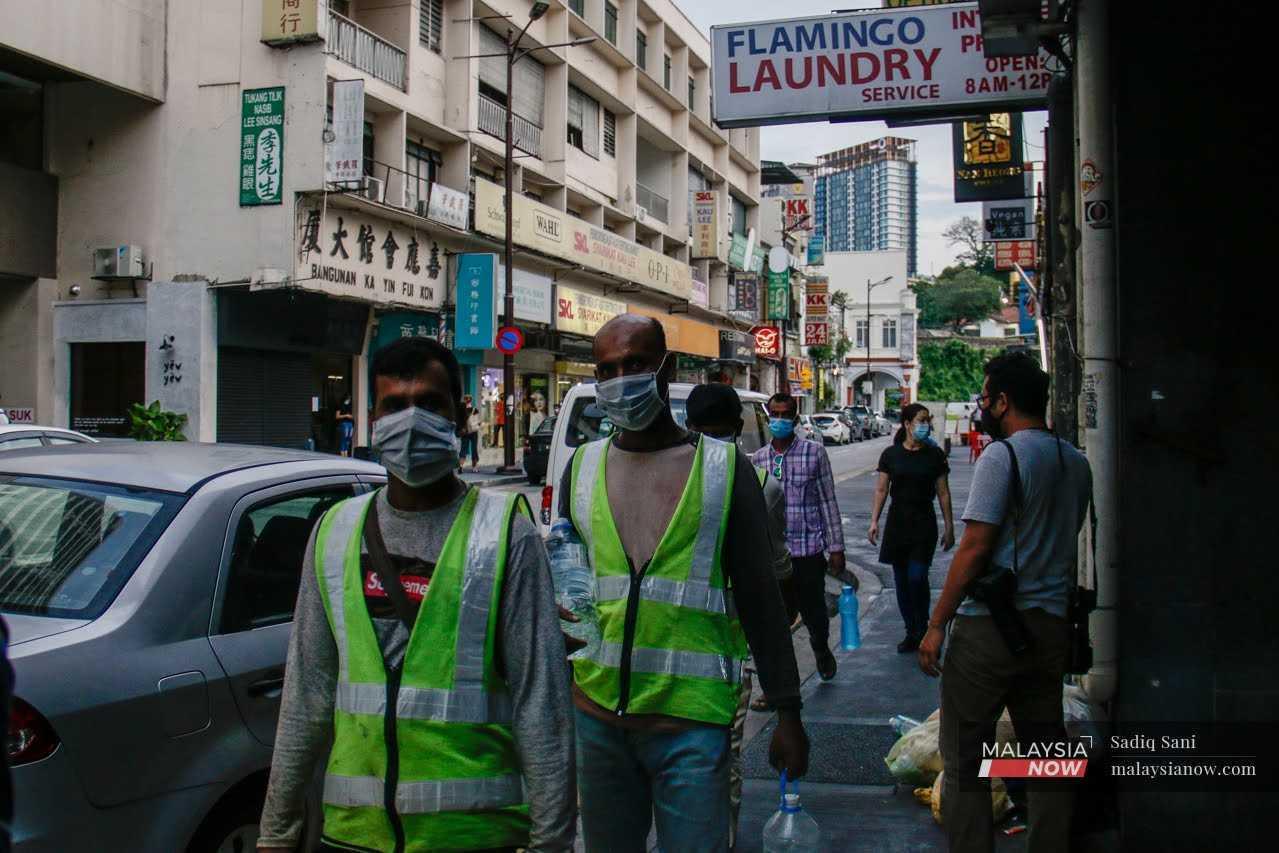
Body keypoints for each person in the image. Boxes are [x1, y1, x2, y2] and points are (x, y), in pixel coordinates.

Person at [257, 337, 575, 852]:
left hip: (474, 836)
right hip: (354, 837)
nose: (411, 421)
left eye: (429, 404)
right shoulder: (335, 532)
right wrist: (276, 835)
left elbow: (542, 705)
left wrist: (551, 843)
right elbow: (306, 696)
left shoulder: (505, 535)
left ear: (459, 415)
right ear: (372, 420)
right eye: (395, 407)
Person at [557, 314, 808, 852]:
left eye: (635, 364)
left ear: (665, 368)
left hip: (691, 725)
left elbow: (762, 601)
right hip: (599, 722)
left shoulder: (723, 468)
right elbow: (566, 602)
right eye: (606, 370)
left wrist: (788, 711)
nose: (620, 380)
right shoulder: (579, 469)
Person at [917, 353, 1092, 853]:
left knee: (967, 753)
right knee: (1044, 750)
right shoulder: (1075, 461)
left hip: (991, 630)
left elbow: (974, 548)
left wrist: (936, 625)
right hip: (1051, 627)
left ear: (1003, 401)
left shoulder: (1004, 457)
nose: (982, 406)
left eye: (986, 397)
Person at [684, 382, 791, 850]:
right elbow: (777, 573)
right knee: (721, 760)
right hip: (724, 651)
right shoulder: (765, 485)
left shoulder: (673, 483)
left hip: (693, 648)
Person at [751, 393, 846, 683]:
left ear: (795, 417)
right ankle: (779, 681)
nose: (779, 420)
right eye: (775, 414)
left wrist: (836, 547)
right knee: (776, 619)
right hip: (774, 554)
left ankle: (820, 648)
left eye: (785, 414)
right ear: (769, 417)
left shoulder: (814, 453)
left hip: (807, 549)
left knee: (815, 612)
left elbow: (827, 500)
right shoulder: (759, 459)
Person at [868, 403, 955, 653]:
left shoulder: (935, 455)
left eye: (927, 420)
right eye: (921, 420)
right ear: (907, 424)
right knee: (902, 581)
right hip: (897, 522)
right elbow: (882, 490)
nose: (925, 425)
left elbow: (943, 493)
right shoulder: (891, 455)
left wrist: (949, 526)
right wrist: (874, 521)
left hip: (923, 522)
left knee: (917, 576)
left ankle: (924, 625)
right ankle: (912, 631)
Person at [457, 394, 480, 472]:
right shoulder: (475, 409)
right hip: (473, 431)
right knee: (474, 449)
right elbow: (478, 421)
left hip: (464, 431)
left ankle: (461, 466)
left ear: (464, 400)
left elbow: (458, 421)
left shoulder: (460, 410)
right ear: (471, 400)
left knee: (463, 449)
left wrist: (461, 429)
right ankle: (474, 467)